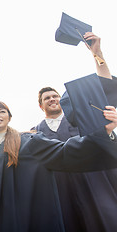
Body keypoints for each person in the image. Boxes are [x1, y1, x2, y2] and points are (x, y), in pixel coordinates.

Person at [0, 100, 117, 232]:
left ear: (9, 117)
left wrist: (103, 132)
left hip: (19, 215)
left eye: (2, 111)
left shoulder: (27, 141)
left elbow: (63, 151)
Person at [33, 33, 117, 232]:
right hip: (62, 191)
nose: (52, 99)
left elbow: (105, 89)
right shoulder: (36, 132)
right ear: (40, 105)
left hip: (96, 181)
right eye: (47, 98)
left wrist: (97, 54)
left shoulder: (80, 119)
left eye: (55, 96)